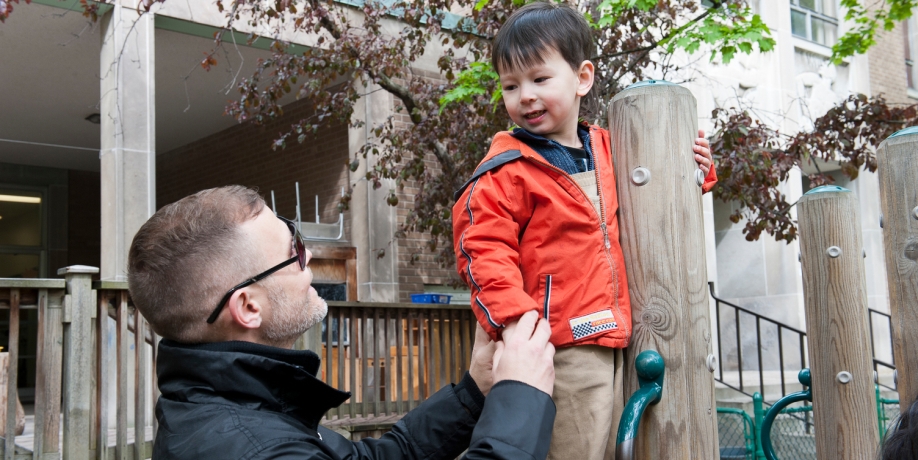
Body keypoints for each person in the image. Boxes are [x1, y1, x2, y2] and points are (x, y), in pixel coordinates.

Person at [451, 3, 717, 459]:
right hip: (561, 344)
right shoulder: (507, 169)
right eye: (511, 86)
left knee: (631, 443)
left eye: (539, 79)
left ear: (582, 78)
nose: (525, 96)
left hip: (625, 335)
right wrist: (516, 323)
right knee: (577, 448)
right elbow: (483, 247)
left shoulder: (609, 149)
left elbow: (654, 196)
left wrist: (696, 169)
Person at [127, 185, 557, 460]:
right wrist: (521, 397)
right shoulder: (254, 449)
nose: (308, 256)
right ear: (248, 308)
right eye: (292, 251)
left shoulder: (237, 407)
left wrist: (473, 393)